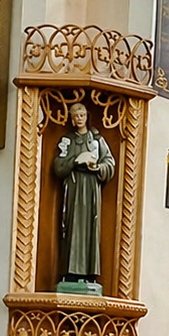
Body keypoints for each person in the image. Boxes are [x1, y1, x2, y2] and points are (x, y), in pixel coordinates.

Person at [51, 102, 118, 285]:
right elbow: (58, 165)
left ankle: (90, 273)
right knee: (72, 227)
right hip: (74, 187)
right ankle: (70, 271)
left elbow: (110, 163)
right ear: (72, 120)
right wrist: (74, 161)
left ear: (86, 117)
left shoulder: (97, 140)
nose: (79, 119)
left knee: (91, 227)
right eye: (75, 117)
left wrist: (98, 167)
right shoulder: (68, 141)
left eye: (81, 115)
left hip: (91, 188)